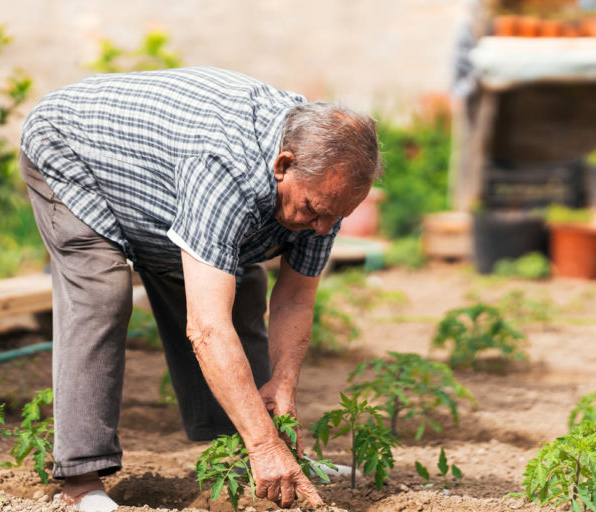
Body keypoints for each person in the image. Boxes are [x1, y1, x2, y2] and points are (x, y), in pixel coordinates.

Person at [19, 66, 382, 511]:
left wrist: (283, 383)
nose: (322, 227)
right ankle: (80, 479)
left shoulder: (326, 188)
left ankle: (239, 453)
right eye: (313, 210)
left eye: (335, 216)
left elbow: (293, 298)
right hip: (73, 146)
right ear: (282, 165)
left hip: (162, 175)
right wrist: (265, 442)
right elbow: (206, 328)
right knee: (102, 293)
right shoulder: (225, 167)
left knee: (240, 286)